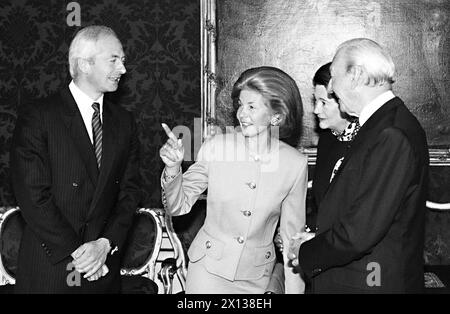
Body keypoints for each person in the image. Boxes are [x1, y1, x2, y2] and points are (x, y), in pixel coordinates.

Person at [288, 38, 429, 293]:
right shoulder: (380, 125)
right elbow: (351, 206)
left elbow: (359, 232)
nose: (331, 88)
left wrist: (306, 252)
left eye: (334, 77)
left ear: (356, 75)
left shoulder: (391, 133)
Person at [10, 25, 140, 293]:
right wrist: (81, 252)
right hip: (51, 268)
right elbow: (32, 194)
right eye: (113, 60)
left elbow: (130, 192)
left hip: (102, 270)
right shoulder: (39, 115)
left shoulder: (124, 122)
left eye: (123, 61)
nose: (123, 69)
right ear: (84, 64)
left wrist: (104, 244)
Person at [160, 66, 308, 294]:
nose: (242, 114)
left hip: (257, 278)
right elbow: (177, 206)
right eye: (240, 104)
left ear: (276, 116)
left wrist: (294, 292)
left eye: (252, 107)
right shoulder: (216, 147)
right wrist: (173, 168)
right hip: (208, 272)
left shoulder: (294, 164)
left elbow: (292, 238)